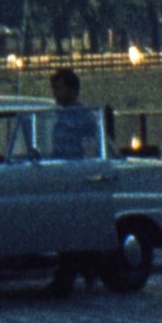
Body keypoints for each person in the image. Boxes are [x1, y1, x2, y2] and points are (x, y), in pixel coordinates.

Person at [48, 68, 97, 294]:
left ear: (72, 90)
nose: (55, 93)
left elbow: (91, 149)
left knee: (72, 230)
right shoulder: (57, 114)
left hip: (76, 177)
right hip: (61, 176)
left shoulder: (84, 116)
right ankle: (86, 270)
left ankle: (68, 277)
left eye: (59, 88)